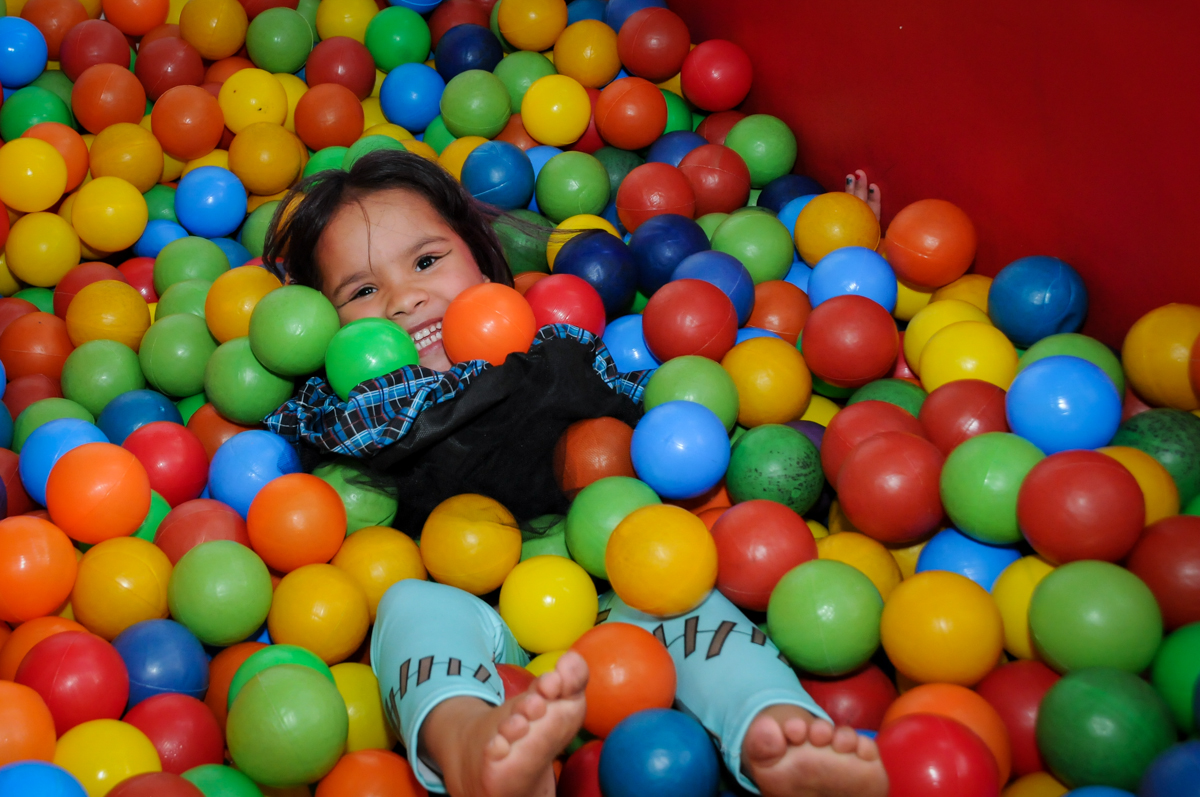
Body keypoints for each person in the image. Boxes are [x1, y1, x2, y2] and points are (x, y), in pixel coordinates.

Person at [264, 150, 889, 797]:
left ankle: (775, 729)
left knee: (684, 592)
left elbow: (655, 417)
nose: (404, 298)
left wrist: (845, 263)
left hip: (616, 591)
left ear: (481, 260)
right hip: (481, 624)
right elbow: (318, 424)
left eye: (426, 262)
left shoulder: (555, 352)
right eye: (362, 291)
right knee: (408, 606)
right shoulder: (353, 410)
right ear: (321, 329)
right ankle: (470, 742)